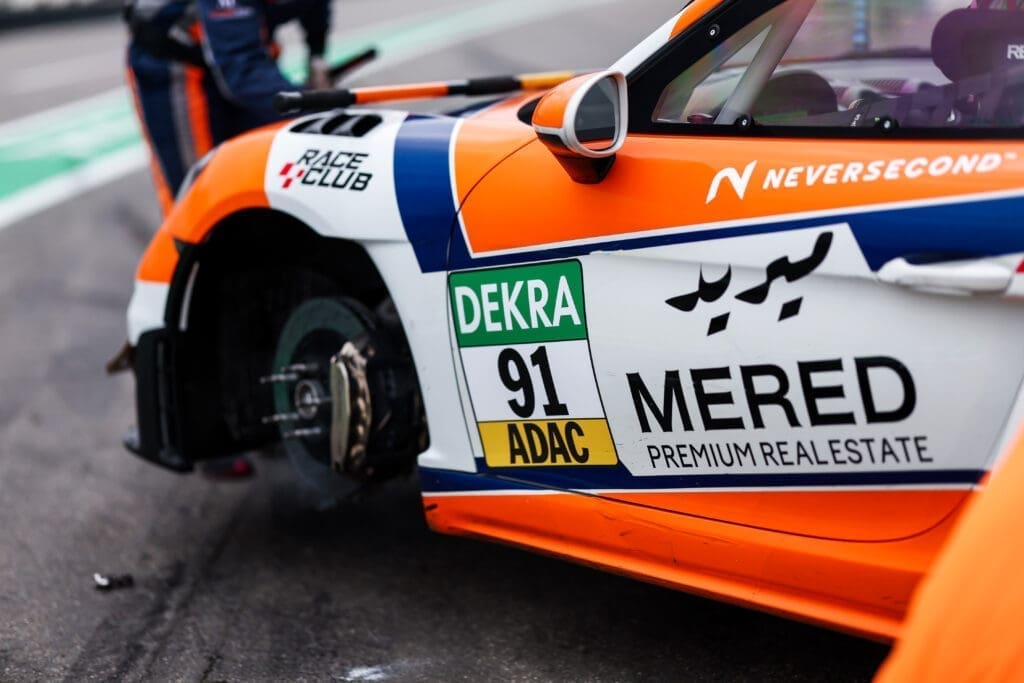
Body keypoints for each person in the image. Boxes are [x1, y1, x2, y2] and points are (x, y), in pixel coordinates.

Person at [124, 0, 332, 215]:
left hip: (241, 40)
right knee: (196, 194)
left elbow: (315, 6)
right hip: (175, 59)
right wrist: (318, 110)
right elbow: (243, 76)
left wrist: (316, 54)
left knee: (265, 175)